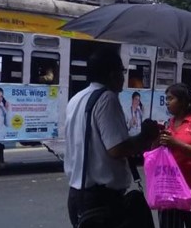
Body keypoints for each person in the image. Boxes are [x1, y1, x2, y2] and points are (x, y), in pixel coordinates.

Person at [64, 48, 159, 227]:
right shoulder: (107, 98)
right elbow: (117, 148)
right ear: (112, 74)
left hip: (77, 195)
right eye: (122, 72)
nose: (124, 77)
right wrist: (146, 136)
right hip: (102, 200)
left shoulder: (77, 98)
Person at [158, 83, 191, 228]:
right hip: (170, 189)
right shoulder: (170, 124)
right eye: (166, 99)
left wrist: (177, 144)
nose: (167, 102)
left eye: (171, 98)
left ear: (182, 101)